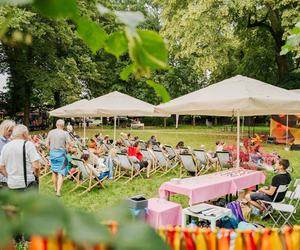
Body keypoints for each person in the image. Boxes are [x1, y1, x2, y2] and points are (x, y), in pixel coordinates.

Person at [0, 125, 40, 191]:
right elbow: (36, 167)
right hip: (28, 184)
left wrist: (10, 177)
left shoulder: (6, 146)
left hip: (11, 184)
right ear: (24, 134)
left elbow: (1, 168)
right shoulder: (28, 145)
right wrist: (36, 176)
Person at [46, 119, 71, 197]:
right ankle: (58, 192)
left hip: (53, 154)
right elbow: (69, 144)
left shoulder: (51, 132)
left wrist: (51, 150)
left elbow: (46, 144)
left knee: (54, 171)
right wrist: (67, 149)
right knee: (61, 173)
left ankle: (55, 188)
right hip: (61, 154)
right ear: (63, 126)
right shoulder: (65, 133)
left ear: (56, 125)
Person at [0, 120, 15, 187]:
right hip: (3, 178)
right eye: (9, 131)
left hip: (10, 176)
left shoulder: (9, 141)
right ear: (4, 129)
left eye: (12, 131)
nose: (11, 133)